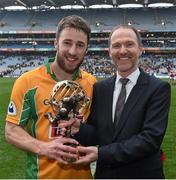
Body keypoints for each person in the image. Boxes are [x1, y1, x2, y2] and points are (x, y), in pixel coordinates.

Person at [61, 24, 171, 178]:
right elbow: (98, 132)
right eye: (116, 45)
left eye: (129, 44)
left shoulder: (158, 88)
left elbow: (150, 139)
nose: (123, 50)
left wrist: (101, 153)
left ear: (140, 49)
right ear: (109, 52)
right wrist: (79, 129)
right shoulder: (100, 88)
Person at [5, 15, 97, 179]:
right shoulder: (27, 82)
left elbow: (100, 130)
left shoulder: (92, 83)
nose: (72, 51)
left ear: (86, 49)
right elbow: (11, 131)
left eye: (80, 45)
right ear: (56, 43)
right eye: (67, 42)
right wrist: (43, 148)